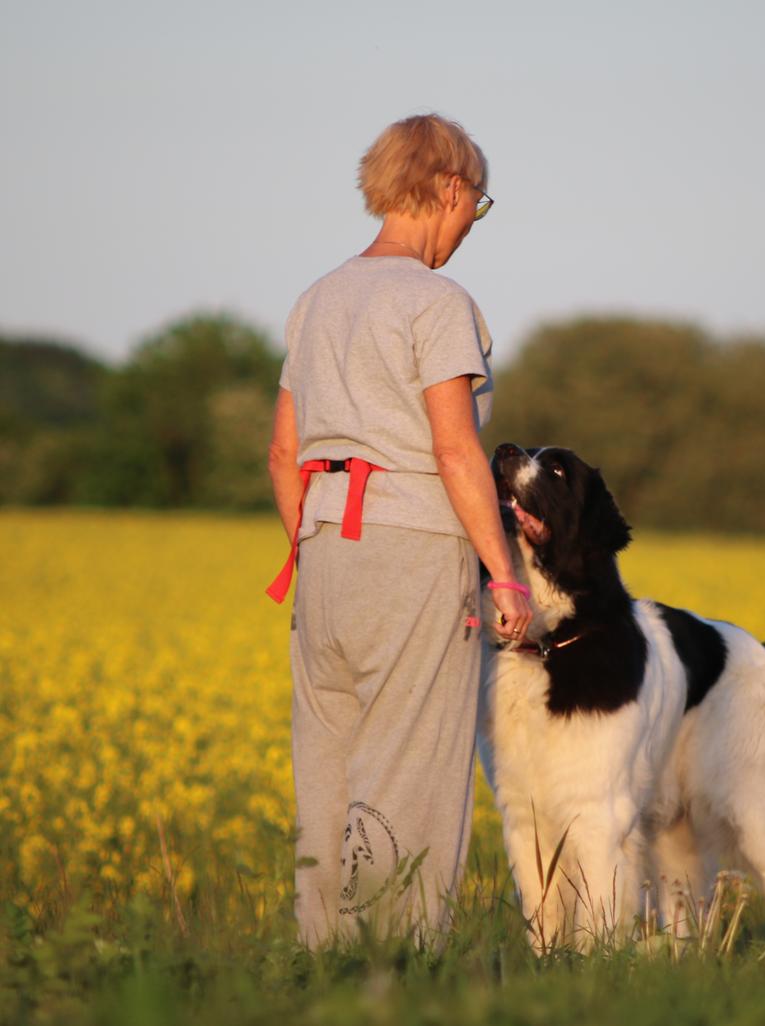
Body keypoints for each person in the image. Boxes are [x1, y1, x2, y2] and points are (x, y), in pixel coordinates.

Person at [266, 113, 532, 949]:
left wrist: (317, 547)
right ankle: (396, 971)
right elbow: (455, 449)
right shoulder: (436, 300)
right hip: (414, 554)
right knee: (409, 772)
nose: (468, 227)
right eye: (476, 207)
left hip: (323, 557)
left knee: (328, 778)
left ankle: (320, 962)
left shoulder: (316, 299)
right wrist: (504, 574)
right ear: (450, 188)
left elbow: (282, 454)